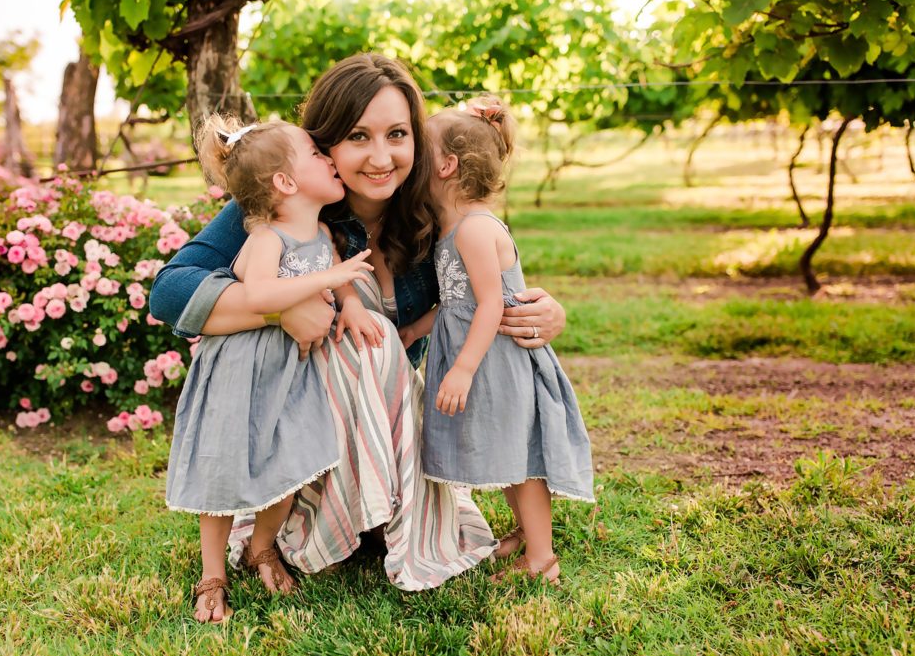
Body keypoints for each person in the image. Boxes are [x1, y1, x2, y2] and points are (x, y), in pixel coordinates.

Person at [149, 54, 567, 590]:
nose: (380, 157)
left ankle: (383, 508)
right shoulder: (289, 201)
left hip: (391, 423)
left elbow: (491, 283)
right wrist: (280, 308)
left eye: (396, 134)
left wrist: (543, 311)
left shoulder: (438, 211)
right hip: (308, 420)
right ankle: (310, 518)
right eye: (357, 136)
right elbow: (170, 290)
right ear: (324, 148)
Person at [165, 114, 380, 623]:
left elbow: (336, 278)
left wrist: (347, 299)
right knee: (223, 466)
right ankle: (212, 573)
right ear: (285, 183)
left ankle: (262, 545)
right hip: (241, 367)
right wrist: (331, 277)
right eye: (315, 155)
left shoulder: (322, 234)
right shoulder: (265, 238)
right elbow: (259, 293)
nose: (329, 158)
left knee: (292, 462)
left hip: (289, 372)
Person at [400, 97, 594, 585]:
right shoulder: (455, 228)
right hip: (482, 357)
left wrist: (462, 368)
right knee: (509, 458)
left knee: (522, 461)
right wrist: (413, 331)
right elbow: (454, 302)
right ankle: (530, 537)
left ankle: (542, 559)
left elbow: (489, 304)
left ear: (445, 166)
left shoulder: (475, 228)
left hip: (496, 362)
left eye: (419, 151)